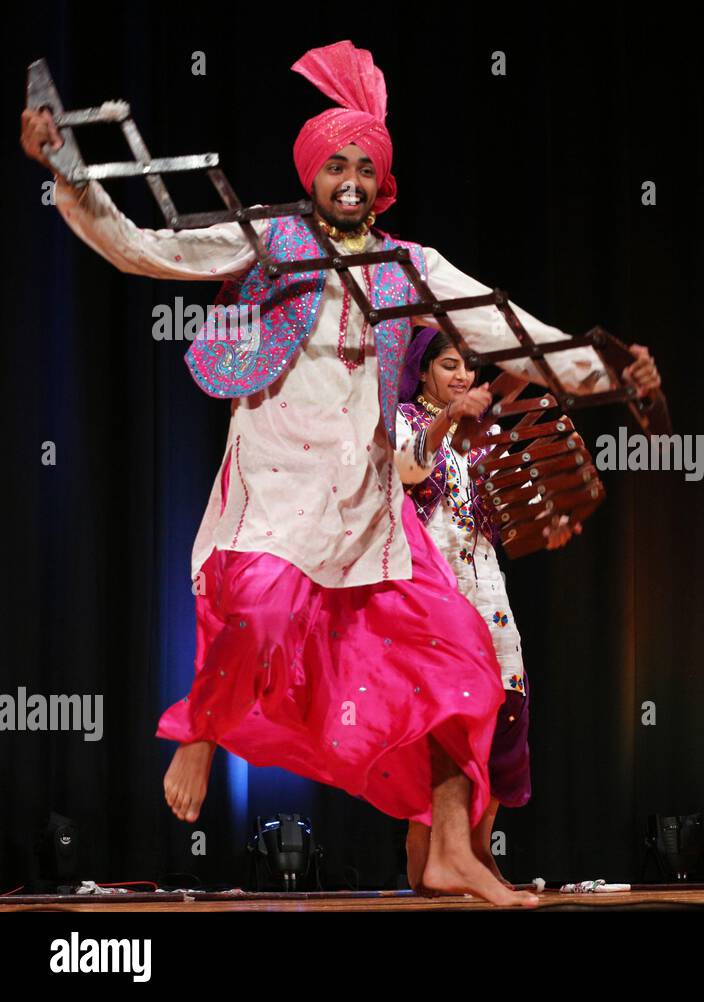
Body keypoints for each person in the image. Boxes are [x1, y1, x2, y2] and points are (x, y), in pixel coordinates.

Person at [21, 40, 659, 906]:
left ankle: (449, 854)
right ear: (312, 174)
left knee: (463, 664)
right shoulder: (269, 240)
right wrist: (68, 170)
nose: (350, 179)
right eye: (336, 165)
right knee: (260, 610)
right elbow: (144, 250)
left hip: (370, 509)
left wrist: (607, 372)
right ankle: (202, 728)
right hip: (278, 487)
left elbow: (512, 333)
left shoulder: (412, 266)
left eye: (365, 165)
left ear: (383, 180)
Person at [395, 328, 580, 887]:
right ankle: (426, 859)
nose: (461, 377)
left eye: (467, 368)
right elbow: (409, 469)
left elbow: (502, 514)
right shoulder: (404, 419)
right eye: (448, 366)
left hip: (487, 588)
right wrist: (453, 418)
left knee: (507, 708)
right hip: (431, 588)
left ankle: (476, 846)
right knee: (440, 723)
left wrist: (541, 529)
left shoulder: (486, 433)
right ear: (424, 370)